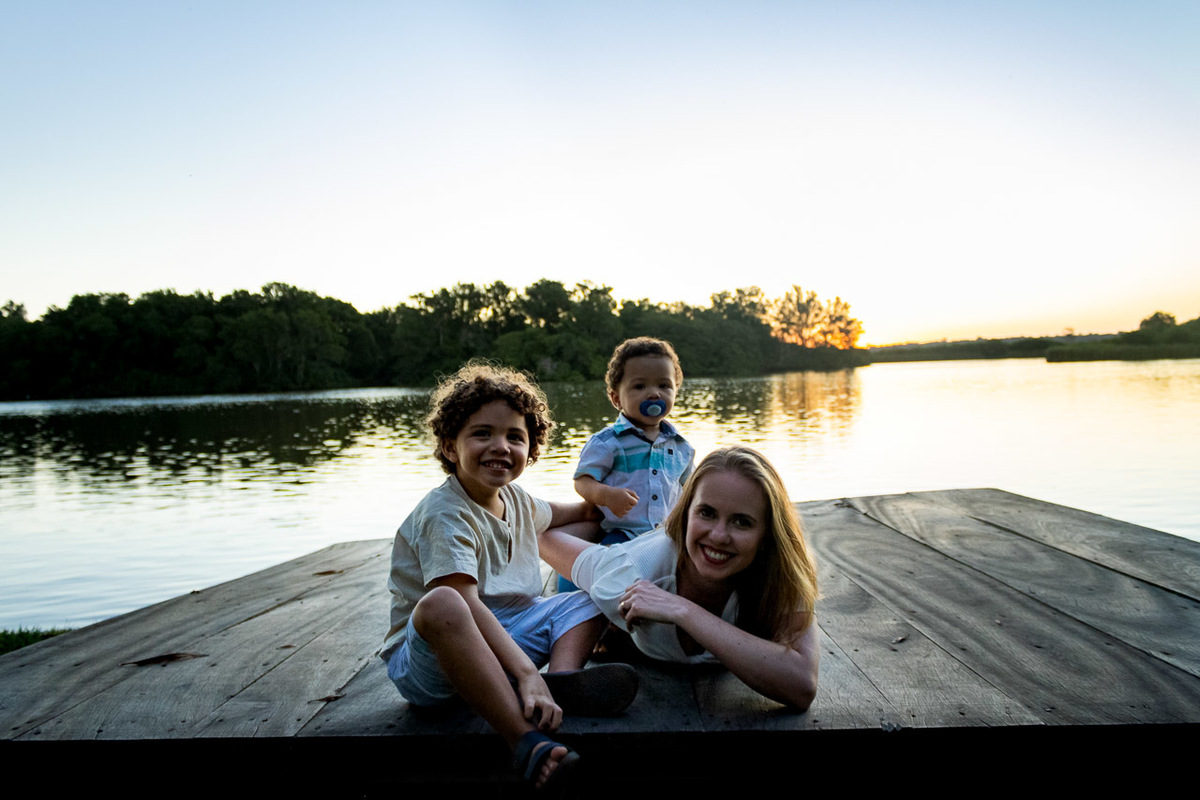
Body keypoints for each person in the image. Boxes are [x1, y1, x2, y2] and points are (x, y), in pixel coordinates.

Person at [381, 361, 638, 791]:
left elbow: (569, 511)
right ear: (449, 447)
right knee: (444, 602)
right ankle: (525, 739)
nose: (500, 446)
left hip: (508, 634)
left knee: (596, 591)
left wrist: (602, 506)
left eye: (514, 437)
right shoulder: (445, 514)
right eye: (482, 433)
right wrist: (524, 672)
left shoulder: (516, 499)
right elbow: (463, 603)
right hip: (436, 656)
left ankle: (559, 681)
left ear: (530, 451)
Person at [540, 446, 819, 710]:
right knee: (584, 602)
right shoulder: (634, 571)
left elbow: (802, 687)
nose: (719, 536)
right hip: (620, 570)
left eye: (742, 522)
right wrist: (591, 516)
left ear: (768, 533)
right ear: (686, 514)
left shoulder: (783, 573)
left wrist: (682, 610)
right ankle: (561, 678)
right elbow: (543, 536)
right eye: (706, 513)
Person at [558, 337, 695, 590]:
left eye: (664, 385)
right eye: (639, 386)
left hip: (667, 537)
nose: (654, 393)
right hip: (623, 535)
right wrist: (607, 495)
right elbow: (583, 481)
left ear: (676, 390)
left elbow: (692, 490)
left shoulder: (681, 447)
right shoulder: (608, 443)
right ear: (616, 398)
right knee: (606, 576)